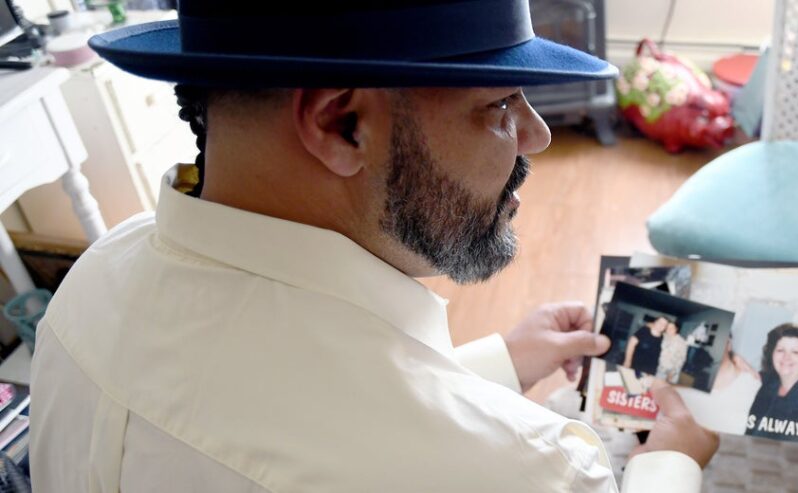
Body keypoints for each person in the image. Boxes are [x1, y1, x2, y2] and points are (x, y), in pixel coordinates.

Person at [29, 1, 718, 491]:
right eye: (501, 105)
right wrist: (671, 463)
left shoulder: (91, 282)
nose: (536, 135)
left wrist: (499, 363)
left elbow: (313, 410)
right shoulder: (523, 471)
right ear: (343, 123)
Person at [745, 323, 798, 443]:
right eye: (780, 350)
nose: (786, 357)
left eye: (795, 352)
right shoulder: (768, 382)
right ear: (771, 353)